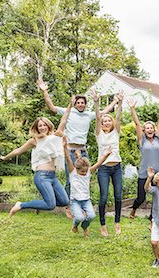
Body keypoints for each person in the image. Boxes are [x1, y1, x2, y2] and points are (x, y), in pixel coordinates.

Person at [37, 79, 118, 208]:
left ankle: (81, 203)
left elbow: (103, 112)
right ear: (75, 104)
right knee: (71, 180)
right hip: (70, 150)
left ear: (85, 104)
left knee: (85, 178)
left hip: (83, 151)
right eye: (78, 102)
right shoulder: (68, 112)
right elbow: (51, 107)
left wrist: (115, 101)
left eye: (82, 103)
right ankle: (68, 206)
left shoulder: (88, 115)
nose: (80, 104)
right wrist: (45, 91)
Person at [0, 102, 72, 217]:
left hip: (52, 176)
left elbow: (63, 120)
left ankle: (39, 204)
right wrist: (6, 157)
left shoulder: (56, 137)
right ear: (37, 128)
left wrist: (70, 106)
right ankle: (21, 205)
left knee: (64, 201)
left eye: (44, 125)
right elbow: (18, 150)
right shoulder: (35, 141)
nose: (42, 127)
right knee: (50, 205)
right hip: (42, 176)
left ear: (48, 126)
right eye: (40, 126)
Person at [63, 136, 112, 237]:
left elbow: (99, 163)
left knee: (91, 215)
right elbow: (68, 158)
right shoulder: (73, 172)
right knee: (79, 218)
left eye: (86, 171)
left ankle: (85, 226)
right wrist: (64, 147)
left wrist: (106, 155)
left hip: (86, 200)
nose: (85, 173)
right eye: (82, 171)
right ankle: (75, 225)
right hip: (75, 200)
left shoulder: (88, 172)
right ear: (77, 168)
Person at [126, 98, 159, 222]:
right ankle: (134, 209)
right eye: (147, 128)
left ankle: (151, 219)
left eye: (151, 128)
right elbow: (137, 124)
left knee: (157, 197)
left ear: (154, 130)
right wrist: (132, 108)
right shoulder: (142, 140)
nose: (149, 129)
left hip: (157, 173)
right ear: (144, 130)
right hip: (144, 173)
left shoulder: (158, 140)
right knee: (141, 198)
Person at [91, 90, 124, 236]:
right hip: (103, 168)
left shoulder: (116, 132)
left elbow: (118, 115)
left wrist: (120, 102)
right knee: (103, 196)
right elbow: (97, 118)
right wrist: (96, 102)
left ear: (112, 122)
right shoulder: (99, 134)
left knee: (118, 196)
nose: (106, 122)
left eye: (108, 120)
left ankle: (117, 223)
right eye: (104, 121)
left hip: (116, 167)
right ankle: (103, 225)